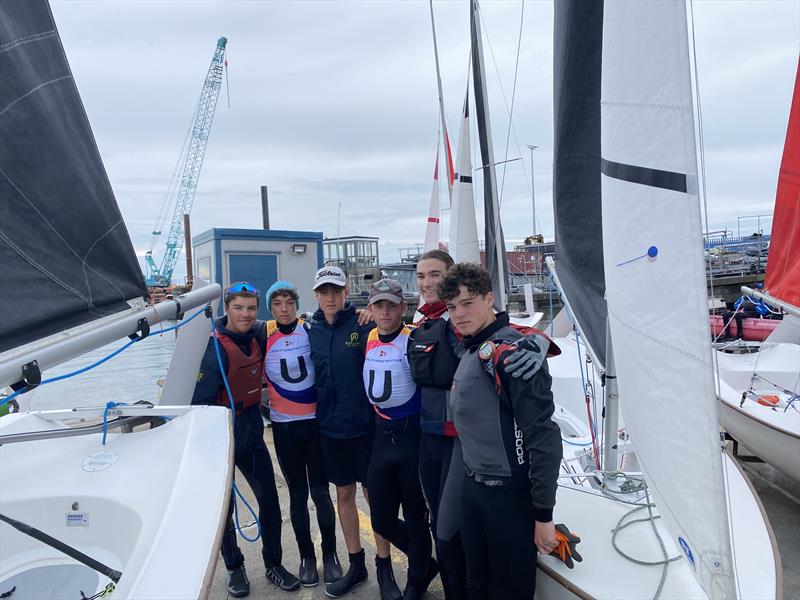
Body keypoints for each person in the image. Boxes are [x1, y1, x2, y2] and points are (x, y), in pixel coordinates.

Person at [439, 264, 563, 599]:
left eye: (468, 303)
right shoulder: (471, 344)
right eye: (452, 307)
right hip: (474, 489)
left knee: (508, 592)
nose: (460, 314)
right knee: (475, 584)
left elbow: (544, 438)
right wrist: (539, 336)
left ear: (489, 298)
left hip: (508, 499)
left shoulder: (512, 356)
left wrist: (543, 516)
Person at [191, 282, 299, 597]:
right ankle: (235, 569)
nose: (246, 314)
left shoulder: (258, 335)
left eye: (251, 308)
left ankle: (274, 564)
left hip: (252, 429)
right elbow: (197, 404)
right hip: (220, 435)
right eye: (238, 307)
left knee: (269, 502)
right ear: (227, 308)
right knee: (225, 510)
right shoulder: (212, 349)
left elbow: (295, 323)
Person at [307, 266, 401, 599]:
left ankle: (384, 565)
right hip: (330, 429)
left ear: (346, 292)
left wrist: (371, 314)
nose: (330, 297)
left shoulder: (364, 325)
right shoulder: (311, 328)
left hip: (365, 428)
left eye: (336, 291)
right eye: (324, 292)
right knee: (343, 496)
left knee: (375, 495)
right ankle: (356, 565)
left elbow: (394, 338)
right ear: (316, 295)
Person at [263, 281, 342, 588]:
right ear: (271, 308)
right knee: (297, 496)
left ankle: (331, 554)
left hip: (314, 425)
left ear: (296, 305)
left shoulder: (310, 330)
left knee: (322, 493)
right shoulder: (263, 335)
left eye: (289, 303)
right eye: (277, 304)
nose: (284, 309)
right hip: (284, 429)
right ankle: (307, 557)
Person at [362, 279, 438, 600]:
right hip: (382, 438)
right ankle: (426, 561)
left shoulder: (414, 338)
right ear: (371, 308)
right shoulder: (366, 336)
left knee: (415, 516)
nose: (385, 311)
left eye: (391, 305)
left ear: (403, 308)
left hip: (411, 439)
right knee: (380, 517)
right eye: (378, 305)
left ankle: (417, 575)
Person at [407, 249, 468, 599]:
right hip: (427, 438)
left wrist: (531, 340)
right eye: (420, 275)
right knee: (435, 525)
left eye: (434, 274)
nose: (426, 282)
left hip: (455, 442)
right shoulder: (423, 322)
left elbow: (495, 336)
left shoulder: (457, 320)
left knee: (448, 532)